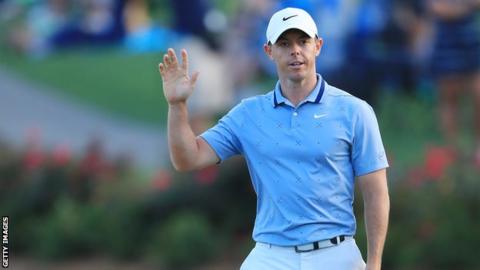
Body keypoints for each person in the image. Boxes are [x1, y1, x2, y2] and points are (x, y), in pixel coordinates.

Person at [158, 7, 389, 270]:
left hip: (335, 254)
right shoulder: (249, 113)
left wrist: (374, 264)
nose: (295, 51)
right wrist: (177, 106)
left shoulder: (354, 111)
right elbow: (188, 159)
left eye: (303, 41)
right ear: (269, 51)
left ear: (318, 46)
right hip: (271, 256)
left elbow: (376, 193)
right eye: (284, 43)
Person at [426, 0, 480, 167]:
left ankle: (477, 149)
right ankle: (452, 152)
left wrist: (457, 8)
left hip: (471, 41)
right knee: (449, 99)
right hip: (446, 43)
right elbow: (437, 8)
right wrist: (465, 7)